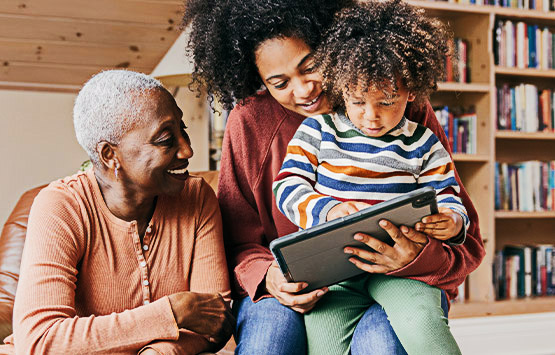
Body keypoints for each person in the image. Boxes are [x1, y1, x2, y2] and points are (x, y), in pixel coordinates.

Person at [182, 0, 485, 353]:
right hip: (308, 283)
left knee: (383, 344)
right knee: (270, 343)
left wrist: (418, 256)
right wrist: (270, 277)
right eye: (279, 83)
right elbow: (238, 241)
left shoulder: (394, 100)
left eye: (311, 67)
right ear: (258, 81)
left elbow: (458, 222)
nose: (304, 90)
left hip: (401, 277)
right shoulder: (249, 122)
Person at [272, 1, 468, 353]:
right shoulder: (317, 129)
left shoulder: (423, 142)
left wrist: (453, 220)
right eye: (358, 101)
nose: (371, 116)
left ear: (412, 92)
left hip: (400, 268)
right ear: (341, 87)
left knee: (423, 326)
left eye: (388, 102)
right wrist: (328, 211)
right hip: (334, 275)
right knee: (325, 347)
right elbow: (287, 186)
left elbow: (447, 192)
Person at [0, 70, 234, 354]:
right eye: (165, 139)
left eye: (183, 130)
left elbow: (215, 321)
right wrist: (173, 312)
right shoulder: (61, 207)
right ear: (110, 155)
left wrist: (161, 353)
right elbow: (41, 341)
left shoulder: (197, 197)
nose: (186, 150)